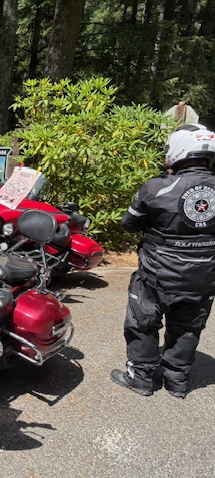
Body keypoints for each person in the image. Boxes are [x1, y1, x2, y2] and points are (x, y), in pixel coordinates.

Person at [111, 123, 215, 398]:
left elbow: (129, 223)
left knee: (143, 322)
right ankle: (177, 381)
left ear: (178, 150)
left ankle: (141, 378)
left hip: (157, 274)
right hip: (204, 276)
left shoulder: (156, 187)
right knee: (189, 327)